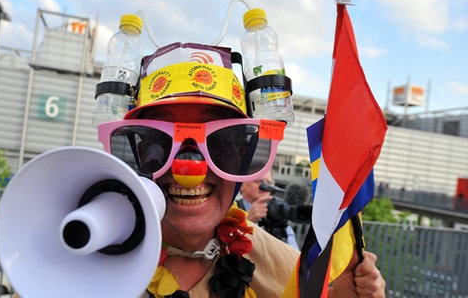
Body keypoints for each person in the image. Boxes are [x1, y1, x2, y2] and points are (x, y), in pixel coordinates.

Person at [98, 42, 385, 297]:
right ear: (138, 154)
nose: (190, 168)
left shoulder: (274, 263)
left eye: (222, 140)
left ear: (243, 156)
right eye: (160, 139)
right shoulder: (90, 249)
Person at [236, 170, 301, 250]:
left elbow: (295, 258)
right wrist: (247, 223)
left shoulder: (278, 213)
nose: (265, 186)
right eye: (259, 181)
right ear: (242, 185)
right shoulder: (229, 211)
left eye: (269, 183)